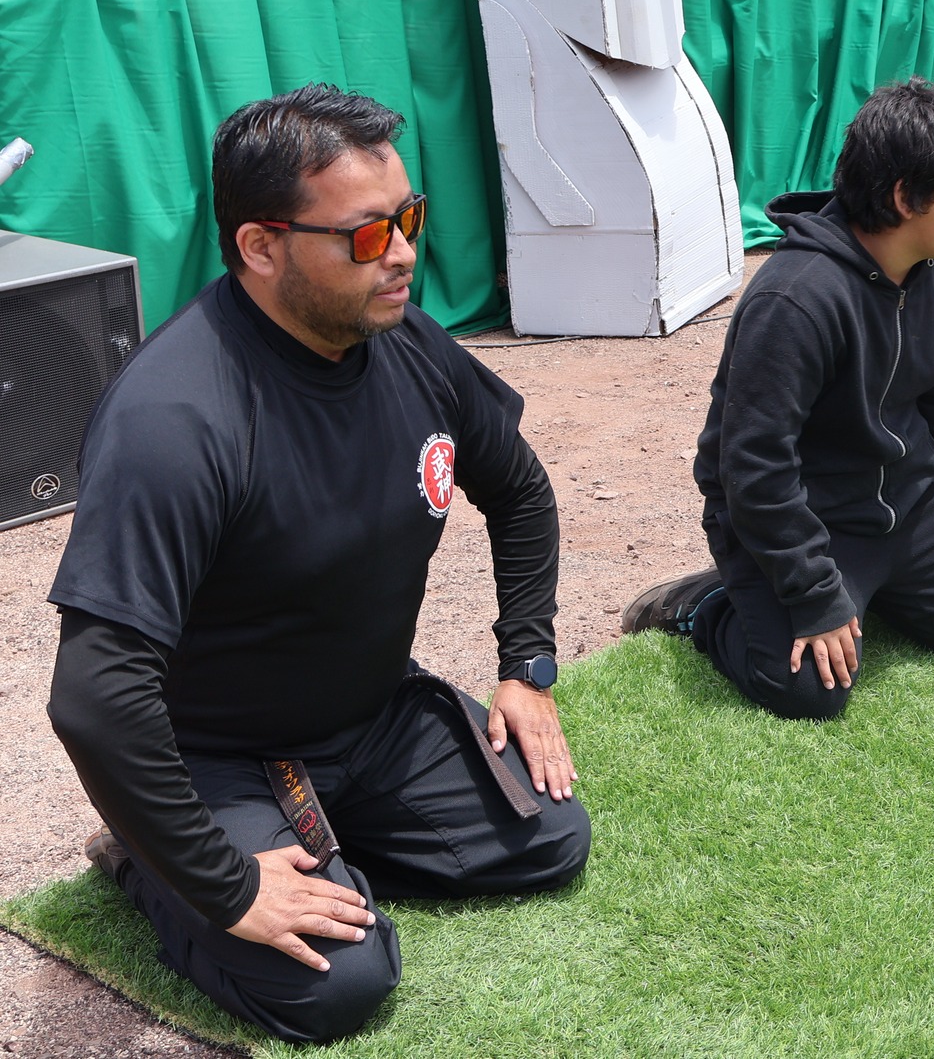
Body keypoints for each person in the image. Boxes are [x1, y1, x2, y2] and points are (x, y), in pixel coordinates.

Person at [44, 86, 590, 1045]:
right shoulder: (176, 420)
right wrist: (227, 883)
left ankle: (325, 841)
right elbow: (95, 695)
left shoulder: (403, 339)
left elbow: (521, 491)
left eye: (409, 218)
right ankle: (144, 859)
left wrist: (527, 666)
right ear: (262, 246)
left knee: (551, 838)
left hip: (370, 716)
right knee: (339, 984)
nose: (408, 254)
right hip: (217, 753)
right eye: (367, 234)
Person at [625, 80, 934, 719]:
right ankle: (706, 605)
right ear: (905, 198)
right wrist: (811, 592)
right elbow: (752, 469)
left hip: (907, 505)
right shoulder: (796, 300)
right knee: (812, 692)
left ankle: (870, 592)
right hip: (807, 519)